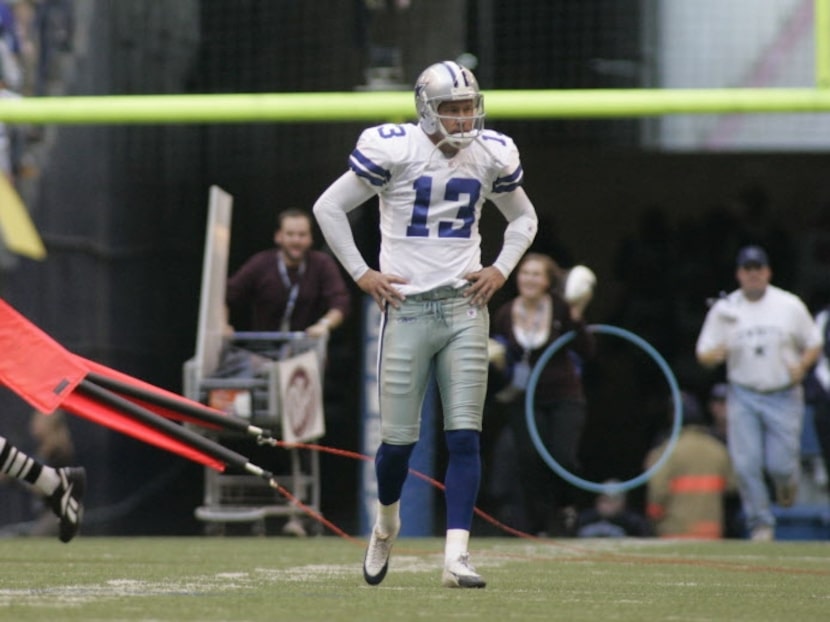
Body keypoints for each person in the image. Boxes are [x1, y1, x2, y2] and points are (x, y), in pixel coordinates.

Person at [313, 60, 538, 588]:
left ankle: (456, 556)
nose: (463, 120)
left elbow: (524, 217)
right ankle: (387, 521)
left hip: (464, 307)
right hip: (408, 308)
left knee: (465, 437)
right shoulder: (395, 148)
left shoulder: (491, 154)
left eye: (468, 109)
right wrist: (362, 273)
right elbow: (329, 207)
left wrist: (501, 270)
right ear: (427, 110)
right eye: (452, 110)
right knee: (397, 445)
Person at [695, 245, 823, 541]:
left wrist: (802, 366)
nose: (753, 274)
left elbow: (813, 340)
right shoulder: (726, 309)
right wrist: (719, 352)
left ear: (768, 272)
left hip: (783, 392)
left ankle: (786, 482)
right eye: (747, 269)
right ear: (739, 274)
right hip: (744, 393)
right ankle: (760, 523)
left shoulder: (788, 305)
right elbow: (703, 354)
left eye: (758, 269)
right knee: (746, 462)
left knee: (779, 464)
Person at [489, 253, 596, 536]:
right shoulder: (504, 314)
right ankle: (537, 525)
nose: (529, 279)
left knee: (562, 457)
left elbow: (587, 351)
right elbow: (504, 363)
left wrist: (577, 319)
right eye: (525, 273)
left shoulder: (562, 308)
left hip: (564, 395)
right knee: (529, 459)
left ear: (549, 281)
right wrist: (497, 359)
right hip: (524, 398)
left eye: (537, 274)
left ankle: (567, 507)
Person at [226, 207, 351, 338]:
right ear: (278, 236)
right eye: (290, 234)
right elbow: (227, 294)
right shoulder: (261, 263)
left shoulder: (322, 263)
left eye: (302, 235)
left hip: (306, 347)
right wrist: (222, 325)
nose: (296, 240)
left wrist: (324, 324)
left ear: (310, 238)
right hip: (264, 350)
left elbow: (340, 302)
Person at [644, 391, 735, 539]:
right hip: (711, 529)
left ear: (674, 416)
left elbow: (657, 491)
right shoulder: (718, 449)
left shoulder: (667, 451)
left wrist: (653, 519)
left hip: (675, 529)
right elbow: (733, 485)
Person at [0, 433, 85, 542]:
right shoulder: (42, 448)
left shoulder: (57, 447)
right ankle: (54, 481)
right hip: (52, 509)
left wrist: (13, 479)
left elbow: (37, 489)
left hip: (55, 510)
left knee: (35, 540)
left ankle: (54, 482)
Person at [573, 481, 652, 538]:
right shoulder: (584, 519)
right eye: (604, 500)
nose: (607, 505)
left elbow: (646, 540)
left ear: (623, 502)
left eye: (613, 500)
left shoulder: (634, 523)